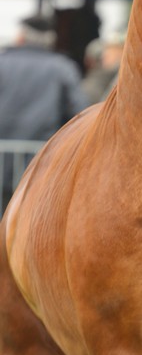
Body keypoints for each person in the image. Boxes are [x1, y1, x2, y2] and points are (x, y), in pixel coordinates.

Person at [0, 14, 88, 210]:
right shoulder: (62, 68)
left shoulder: (2, 63)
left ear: (21, 36)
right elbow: (80, 115)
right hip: (40, 169)